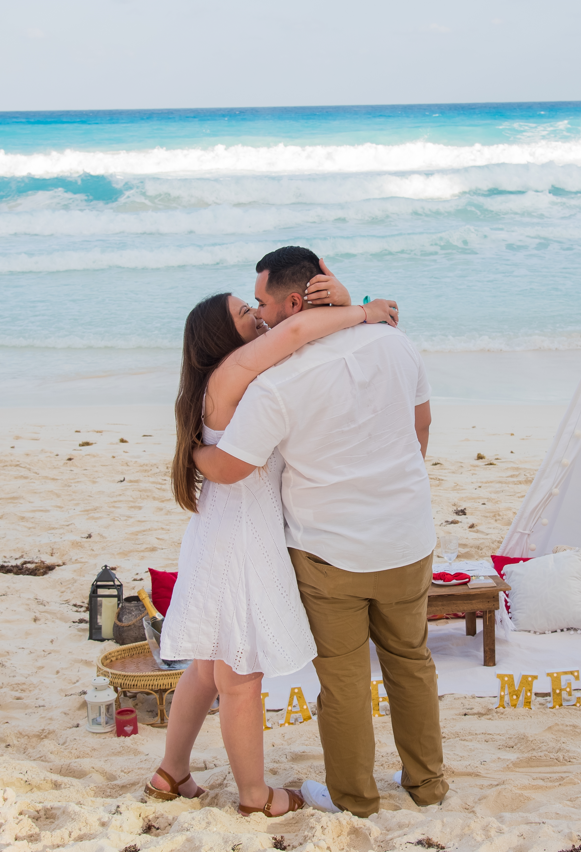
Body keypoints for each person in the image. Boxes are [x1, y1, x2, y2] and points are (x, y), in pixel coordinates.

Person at [194, 245, 448, 817]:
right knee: (411, 662)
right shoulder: (394, 340)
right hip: (407, 537)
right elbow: (421, 426)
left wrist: (193, 456)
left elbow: (234, 466)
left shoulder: (277, 383)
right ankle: (427, 785)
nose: (258, 315)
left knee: (344, 683)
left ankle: (357, 801)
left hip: (329, 552)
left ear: (291, 301)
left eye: (260, 302)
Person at [144, 265, 399, 818]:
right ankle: (255, 798)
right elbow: (292, 332)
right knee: (240, 676)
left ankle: (172, 771)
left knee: (208, 667)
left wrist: (342, 297)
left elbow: (301, 324)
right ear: (222, 336)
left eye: (254, 305)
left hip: (221, 532)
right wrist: (368, 312)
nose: (255, 314)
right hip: (239, 540)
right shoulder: (234, 370)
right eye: (243, 312)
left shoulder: (225, 379)